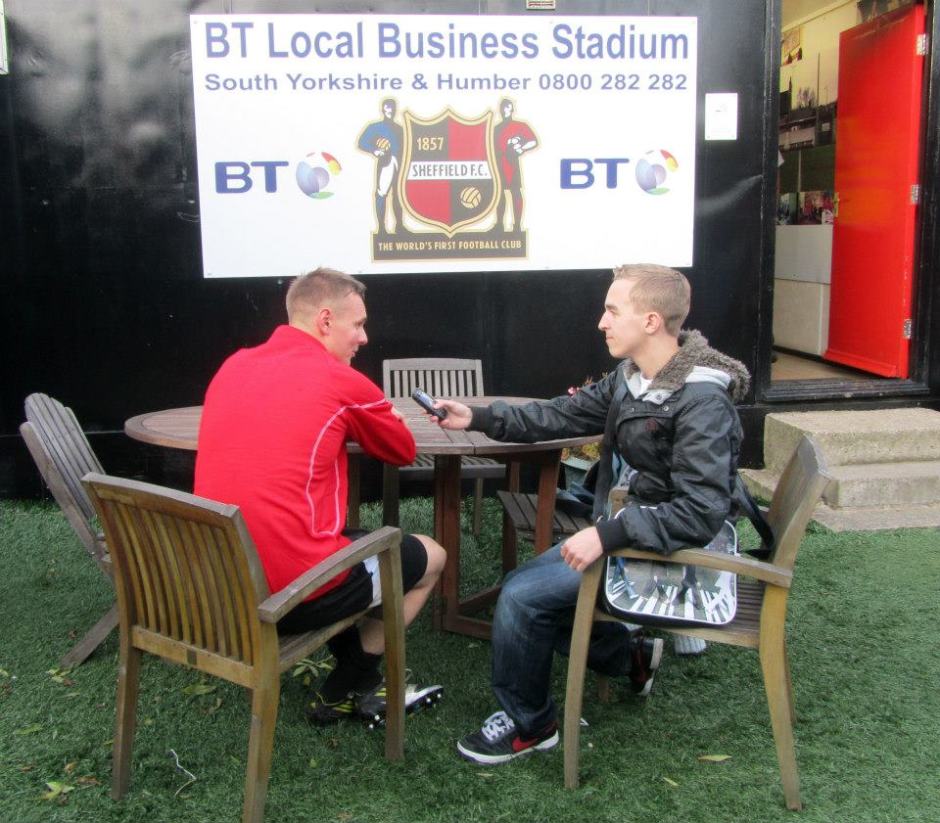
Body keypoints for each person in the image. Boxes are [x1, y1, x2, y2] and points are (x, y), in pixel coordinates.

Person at [429, 264, 750, 764]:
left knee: (522, 598)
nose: (602, 321)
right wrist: (480, 417)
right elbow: (563, 414)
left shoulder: (701, 400)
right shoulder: (633, 378)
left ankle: (532, 726)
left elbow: (700, 512)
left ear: (650, 321)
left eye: (612, 310)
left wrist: (607, 535)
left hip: (679, 554)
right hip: (636, 530)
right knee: (525, 589)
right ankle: (632, 655)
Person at [194, 267, 446, 725]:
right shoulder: (341, 380)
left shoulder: (233, 365)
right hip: (290, 594)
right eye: (359, 324)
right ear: (326, 320)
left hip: (218, 581)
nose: (364, 338)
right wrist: (387, 417)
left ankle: (358, 675)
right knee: (430, 556)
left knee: (347, 540)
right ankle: (344, 687)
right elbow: (402, 450)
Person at [358, 99, 405, 236]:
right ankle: (382, 229)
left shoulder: (400, 129)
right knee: (382, 194)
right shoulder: (375, 127)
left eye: (392, 107)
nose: (390, 110)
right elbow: (362, 142)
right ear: (383, 109)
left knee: (398, 195)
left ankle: (399, 226)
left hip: (400, 163)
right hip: (386, 162)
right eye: (388, 107)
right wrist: (374, 150)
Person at [493, 98, 537, 233]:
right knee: (499, 194)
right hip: (498, 165)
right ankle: (499, 225)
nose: (504, 109)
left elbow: (533, 141)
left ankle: (517, 226)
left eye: (507, 107)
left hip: (512, 164)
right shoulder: (496, 129)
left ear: (511, 109)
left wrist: (521, 147)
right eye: (502, 107)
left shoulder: (520, 126)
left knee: (515, 193)